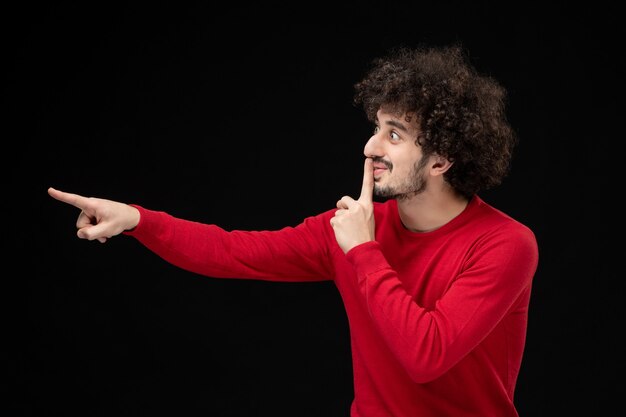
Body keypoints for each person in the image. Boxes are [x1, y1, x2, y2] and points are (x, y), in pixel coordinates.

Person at [48, 44, 539, 417]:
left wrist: (364, 251)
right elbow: (231, 252)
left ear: (441, 159)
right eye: (375, 127)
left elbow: (426, 356)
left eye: (394, 134)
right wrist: (137, 219)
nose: (370, 147)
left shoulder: (504, 244)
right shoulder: (346, 230)